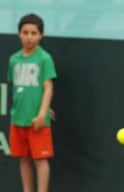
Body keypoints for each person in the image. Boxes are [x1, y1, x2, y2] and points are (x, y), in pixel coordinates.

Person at [7, 13, 57, 192]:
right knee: (24, 158)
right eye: (25, 32)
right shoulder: (13, 59)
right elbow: (20, 89)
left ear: (40, 35)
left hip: (37, 120)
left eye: (33, 33)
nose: (29, 37)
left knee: (40, 160)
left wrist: (42, 113)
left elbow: (47, 87)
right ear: (19, 34)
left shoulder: (44, 59)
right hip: (18, 119)